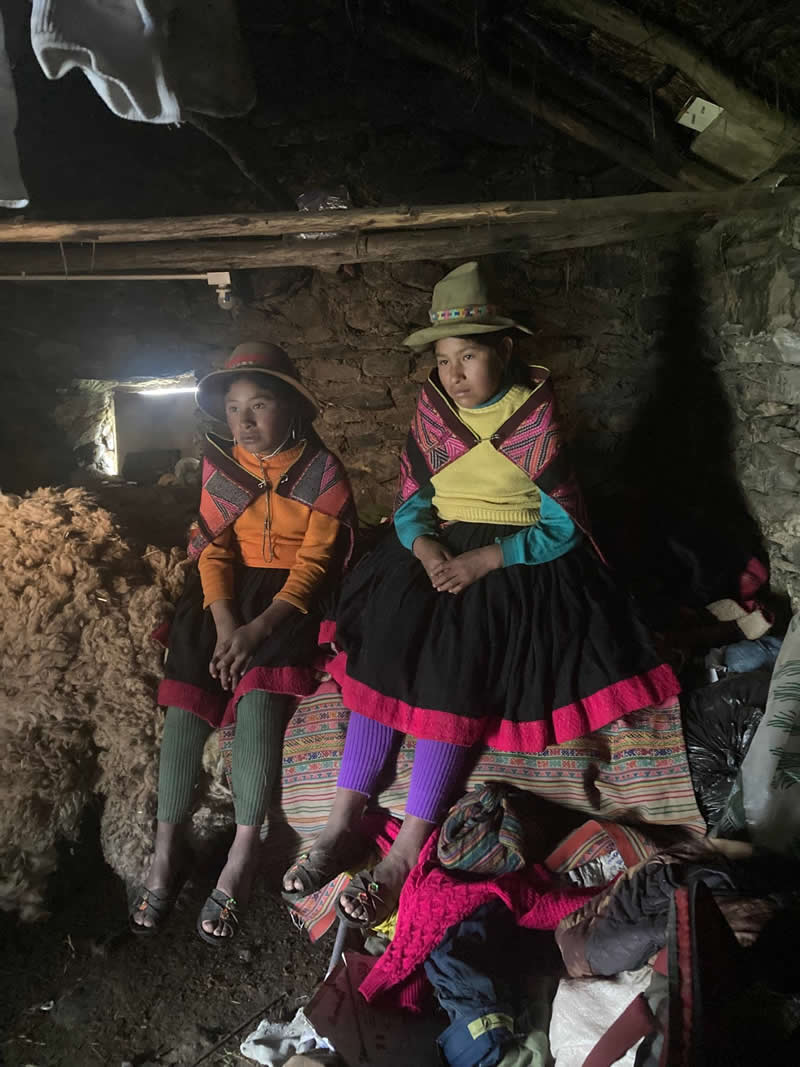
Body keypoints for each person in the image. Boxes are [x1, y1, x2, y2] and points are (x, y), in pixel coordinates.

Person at [282, 262, 680, 928]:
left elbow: (560, 523)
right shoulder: (434, 411)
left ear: (505, 351)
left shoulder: (533, 415)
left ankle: (407, 847)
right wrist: (428, 547)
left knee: (459, 650)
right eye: (444, 359)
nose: (455, 373)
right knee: (388, 631)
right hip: (443, 543)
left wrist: (487, 559)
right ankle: (340, 820)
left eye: (469, 356)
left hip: (517, 553)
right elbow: (413, 501)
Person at [130, 342, 356, 944]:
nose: (245, 422)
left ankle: (243, 853)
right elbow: (213, 549)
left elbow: (315, 564)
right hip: (227, 597)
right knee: (186, 697)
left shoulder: (321, 472)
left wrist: (258, 630)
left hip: (290, 601)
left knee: (259, 699)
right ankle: (165, 851)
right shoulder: (221, 466)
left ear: (292, 410)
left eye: (260, 405)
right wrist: (226, 622)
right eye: (234, 409)